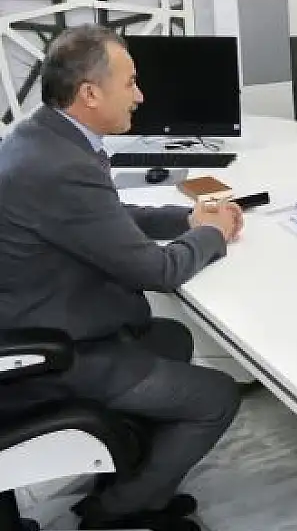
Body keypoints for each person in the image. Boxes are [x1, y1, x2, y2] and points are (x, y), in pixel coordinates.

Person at [0, 26, 242, 531]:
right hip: (56, 354)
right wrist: (213, 234)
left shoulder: (41, 136)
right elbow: (159, 271)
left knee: (172, 338)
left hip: (39, 322)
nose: (141, 96)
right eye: (130, 83)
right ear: (90, 93)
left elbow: (103, 216)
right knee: (216, 398)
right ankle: (118, 511)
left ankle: (130, 480)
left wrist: (185, 219)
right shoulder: (60, 165)